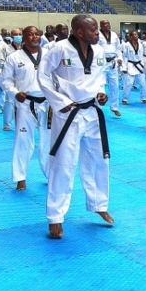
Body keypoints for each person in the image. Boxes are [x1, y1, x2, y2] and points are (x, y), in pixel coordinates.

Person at [38, 14, 113, 239]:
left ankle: (99, 203)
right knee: (63, 164)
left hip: (93, 112)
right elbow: (42, 75)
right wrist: (59, 102)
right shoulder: (59, 49)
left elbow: (100, 76)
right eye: (93, 31)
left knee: (100, 159)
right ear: (79, 32)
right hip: (69, 112)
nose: (97, 34)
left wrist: (102, 91)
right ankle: (55, 217)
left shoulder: (99, 51)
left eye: (97, 30)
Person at [0, 26, 50, 191]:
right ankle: (20, 177)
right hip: (25, 104)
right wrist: (14, 93)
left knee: (49, 141)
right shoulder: (14, 58)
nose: (34, 37)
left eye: (37, 34)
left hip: (48, 104)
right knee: (23, 142)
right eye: (30, 34)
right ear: (24, 37)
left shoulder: (50, 55)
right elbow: (5, 80)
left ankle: (51, 175)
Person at [97, 20, 123, 117]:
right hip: (101, 61)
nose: (107, 25)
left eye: (108, 24)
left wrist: (119, 58)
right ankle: (99, 106)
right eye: (104, 24)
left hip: (113, 62)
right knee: (100, 84)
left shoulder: (114, 35)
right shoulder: (97, 35)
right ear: (101, 26)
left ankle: (115, 107)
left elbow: (118, 48)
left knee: (115, 85)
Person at [120, 31, 146, 105]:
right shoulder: (127, 45)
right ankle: (125, 99)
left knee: (143, 84)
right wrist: (124, 68)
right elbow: (124, 56)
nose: (136, 36)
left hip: (139, 65)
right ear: (131, 37)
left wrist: (144, 66)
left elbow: (142, 56)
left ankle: (143, 97)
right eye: (134, 34)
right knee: (128, 84)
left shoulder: (141, 45)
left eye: (137, 34)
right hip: (130, 65)